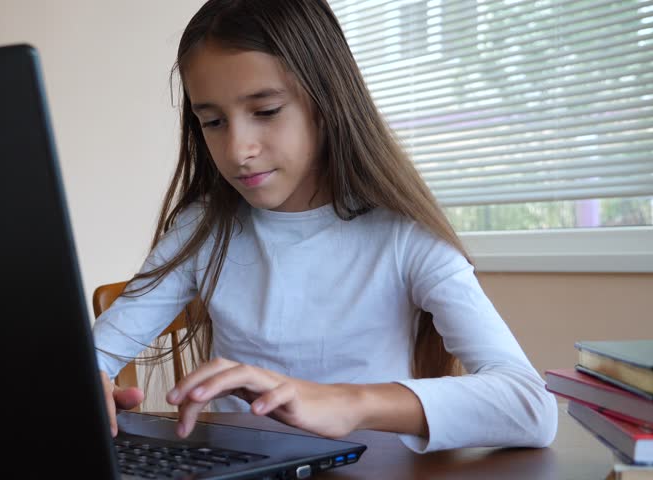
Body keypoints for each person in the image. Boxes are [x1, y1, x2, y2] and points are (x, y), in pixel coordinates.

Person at [92, 0, 557, 453]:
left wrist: (347, 401)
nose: (238, 150)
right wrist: (89, 386)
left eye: (267, 111)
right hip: (245, 466)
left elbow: (531, 407)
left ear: (327, 101)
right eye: (213, 121)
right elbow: (92, 359)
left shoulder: (402, 234)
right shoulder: (203, 228)